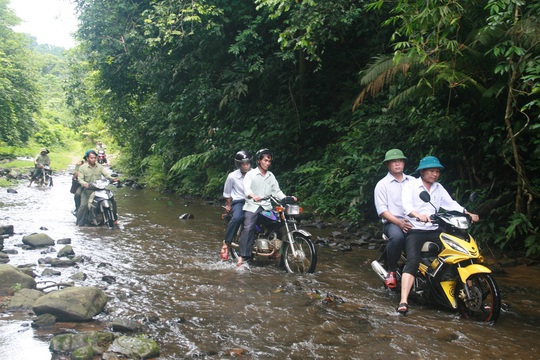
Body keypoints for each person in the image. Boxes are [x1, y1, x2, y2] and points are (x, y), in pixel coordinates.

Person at [397, 156, 479, 313]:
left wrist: (467, 213)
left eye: (437, 172)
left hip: (435, 228)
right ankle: (403, 301)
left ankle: (471, 294)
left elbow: (450, 204)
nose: (435, 174)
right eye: (432, 171)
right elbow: (406, 205)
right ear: (422, 171)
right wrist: (417, 215)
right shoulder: (411, 186)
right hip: (416, 229)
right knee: (413, 261)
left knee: (460, 252)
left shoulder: (439, 188)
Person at [236, 149, 296, 267]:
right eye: (265, 160)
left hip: (266, 207)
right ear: (259, 161)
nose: (267, 163)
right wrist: (252, 195)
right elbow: (246, 188)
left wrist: (287, 198)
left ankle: (275, 251)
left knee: (278, 223)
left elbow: (277, 191)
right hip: (252, 206)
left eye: (269, 161)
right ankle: (242, 256)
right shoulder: (251, 174)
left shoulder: (271, 176)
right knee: (248, 227)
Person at [374, 149, 414, 289]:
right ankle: (391, 270)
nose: (397, 164)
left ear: (404, 163)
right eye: (394, 162)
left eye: (400, 161)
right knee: (397, 237)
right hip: (392, 222)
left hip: (414, 220)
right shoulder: (382, 185)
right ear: (388, 165)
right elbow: (382, 210)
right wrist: (399, 222)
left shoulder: (413, 181)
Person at [221, 150, 253, 259]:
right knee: (237, 218)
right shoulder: (232, 176)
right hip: (239, 201)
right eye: (243, 164)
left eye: (248, 163)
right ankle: (226, 242)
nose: (246, 166)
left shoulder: (255, 174)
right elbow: (227, 193)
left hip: (254, 201)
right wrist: (229, 206)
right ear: (239, 164)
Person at [76, 150, 118, 226]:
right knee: (83, 206)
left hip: (100, 189)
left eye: (95, 158)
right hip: (88, 190)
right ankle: (79, 223)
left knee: (112, 200)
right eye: (91, 158)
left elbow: (106, 175)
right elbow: (80, 179)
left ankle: (114, 218)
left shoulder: (99, 166)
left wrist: (113, 179)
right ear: (87, 158)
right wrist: (85, 184)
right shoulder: (82, 167)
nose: (93, 159)